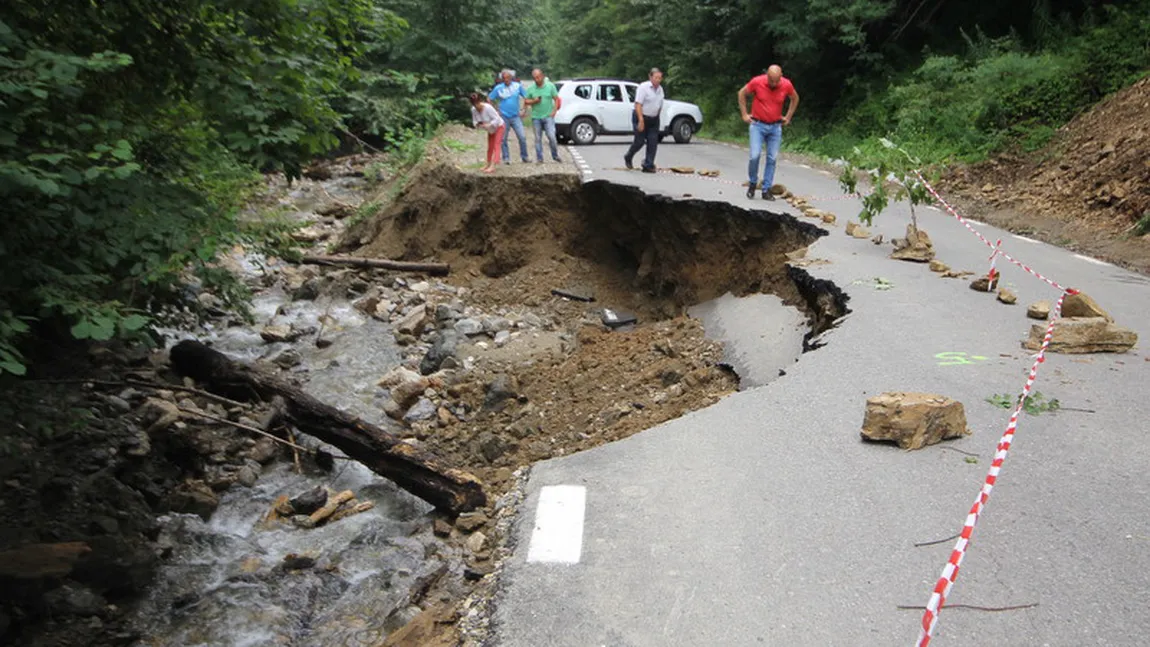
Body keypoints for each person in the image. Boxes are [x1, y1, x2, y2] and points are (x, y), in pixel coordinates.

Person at [738, 65, 799, 200]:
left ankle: (766, 189)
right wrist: (744, 114)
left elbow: (795, 98)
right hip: (758, 125)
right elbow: (741, 93)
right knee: (755, 156)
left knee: (772, 158)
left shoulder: (786, 84)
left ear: (781, 76)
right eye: (771, 80)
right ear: (767, 76)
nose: (774, 84)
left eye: (777, 81)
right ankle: (753, 183)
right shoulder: (757, 82)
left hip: (775, 127)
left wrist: (788, 117)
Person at [624, 68, 665, 173]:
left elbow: (659, 105)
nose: (658, 80)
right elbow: (638, 104)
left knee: (653, 142)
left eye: (660, 78)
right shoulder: (643, 87)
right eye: (656, 78)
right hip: (641, 116)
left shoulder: (660, 89)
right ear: (650, 77)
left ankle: (648, 164)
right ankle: (629, 156)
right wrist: (641, 120)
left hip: (653, 119)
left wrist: (657, 116)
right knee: (639, 141)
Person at [488, 69, 529, 164]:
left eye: (508, 78)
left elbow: (526, 97)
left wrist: (524, 110)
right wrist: (495, 111)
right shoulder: (498, 88)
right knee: (503, 138)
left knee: (522, 137)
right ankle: (506, 158)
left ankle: (525, 156)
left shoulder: (517, 86)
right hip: (503, 116)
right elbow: (489, 99)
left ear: (511, 78)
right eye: (504, 78)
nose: (506, 80)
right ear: (502, 79)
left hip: (516, 116)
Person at [524, 68, 563, 163]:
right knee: (537, 138)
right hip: (536, 116)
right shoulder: (531, 88)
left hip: (548, 116)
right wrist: (534, 101)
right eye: (534, 78)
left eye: (538, 77)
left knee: (551, 137)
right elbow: (526, 101)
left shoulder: (550, 86)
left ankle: (555, 155)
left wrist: (554, 111)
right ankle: (540, 158)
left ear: (542, 76)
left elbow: (556, 99)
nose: (536, 80)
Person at [469, 93, 505, 174]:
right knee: (490, 147)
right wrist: (478, 124)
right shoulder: (473, 110)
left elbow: (497, 119)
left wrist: (489, 124)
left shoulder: (488, 108)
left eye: (477, 104)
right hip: (490, 129)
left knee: (496, 145)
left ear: (480, 101)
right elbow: (474, 121)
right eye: (474, 105)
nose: (477, 107)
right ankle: (488, 164)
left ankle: (493, 165)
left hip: (499, 126)